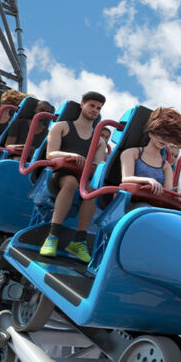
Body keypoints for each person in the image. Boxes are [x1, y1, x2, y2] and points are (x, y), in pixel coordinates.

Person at [38, 91, 110, 263]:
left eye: (98, 108)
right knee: (70, 182)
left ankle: (79, 241)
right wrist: (70, 155)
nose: (95, 110)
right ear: (82, 105)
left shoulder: (99, 139)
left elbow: (98, 164)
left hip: (83, 178)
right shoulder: (61, 126)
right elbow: (50, 154)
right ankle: (52, 237)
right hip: (58, 174)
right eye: (91, 105)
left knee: (93, 189)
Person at [121, 108, 181, 200]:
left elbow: (167, 191)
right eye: (160, 134)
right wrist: (149, 180)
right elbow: (126, 179)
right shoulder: (131, 153)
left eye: (168, 136)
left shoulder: (166, 166)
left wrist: (179, 191)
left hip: (154, 204)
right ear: (151, 133)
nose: (164, 139)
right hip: (131, 200)